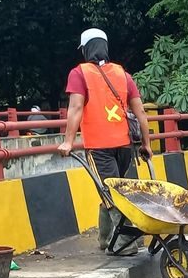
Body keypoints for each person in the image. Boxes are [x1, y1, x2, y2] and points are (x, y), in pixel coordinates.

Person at [57, 28, 153, 256]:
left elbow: (76, 107)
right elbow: (140, 113)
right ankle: (106, 238)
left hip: (99, 146)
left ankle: (124, 244)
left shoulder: (79, 73)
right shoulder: (123, 74)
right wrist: (146, 144)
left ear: (86, 49)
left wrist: (68, 141)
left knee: (110, 191)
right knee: (122, 190)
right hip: (125, 144)